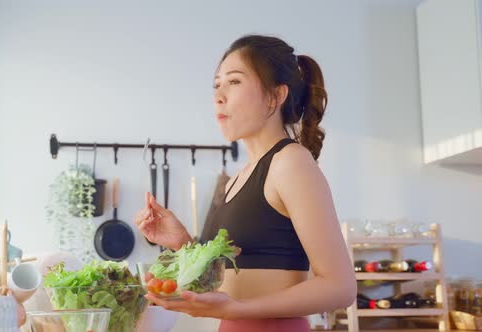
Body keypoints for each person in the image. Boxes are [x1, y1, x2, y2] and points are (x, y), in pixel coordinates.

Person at [133, 34, 356, 331]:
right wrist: (181, 243)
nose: (219, 96)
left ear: (275, 97)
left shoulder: (291, 163)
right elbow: (226, 277)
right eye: (217, 84)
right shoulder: (237, 178)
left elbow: (340, 287)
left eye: (234, 82)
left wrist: (238, 309)